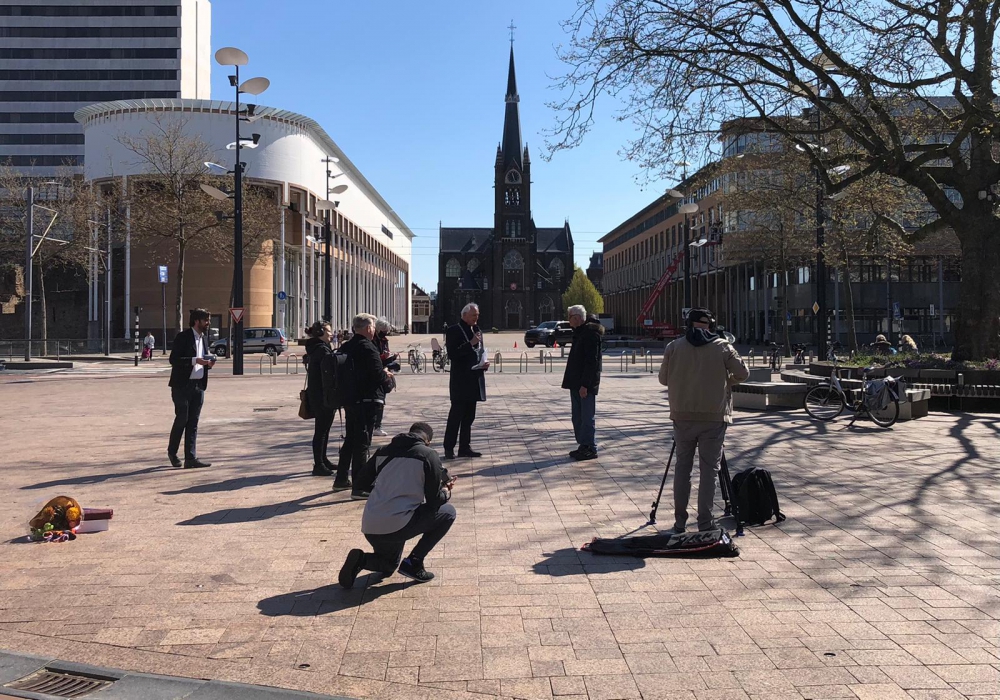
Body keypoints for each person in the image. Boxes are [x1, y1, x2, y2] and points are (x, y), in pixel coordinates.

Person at [658, 308, 749, 533]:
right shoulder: (722, 346)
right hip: (714, 417)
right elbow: (743, 374)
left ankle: (679, 521)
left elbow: (663, 379)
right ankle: (705, 522)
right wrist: (724, 379)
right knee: (709, 471)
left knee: (682, 469)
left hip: (682, 415)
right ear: (710, 325)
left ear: (688, 324)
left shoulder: (674, 346)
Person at [339, 422, 456, 588]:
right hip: (398, 523)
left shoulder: (383, 451)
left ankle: (361, 559)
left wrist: (388, 486)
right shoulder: (429, 455)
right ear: (427, 441)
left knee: (389, 565)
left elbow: (360, 484)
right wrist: (445, 490)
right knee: (448, 512)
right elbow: (434, 501)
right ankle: (414, 562)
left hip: (371, 524)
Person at [336, 313, 391, 498]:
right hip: (367, 400)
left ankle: (341, 478)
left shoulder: (346, 346)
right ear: (368, 328)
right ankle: (359, 487)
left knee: (350, 440)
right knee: (362, 443)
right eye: (373, 327)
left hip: (350, 400)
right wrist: (387, 375)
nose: (374, 330)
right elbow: (377, 374)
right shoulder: (368, 347)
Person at [167, 308, 216, 469]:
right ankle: (172, 453)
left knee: (193, 422)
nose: (208, 323)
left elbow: (203, 360)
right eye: (206, 320)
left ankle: (190, 458)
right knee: (182, 419)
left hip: (198, 385)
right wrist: (195, 360)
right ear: (197, 321)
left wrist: (208, 364)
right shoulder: (183, 337)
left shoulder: (204, 338)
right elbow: (174, 359)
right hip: (181, 386)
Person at [443, 303, 487, 459]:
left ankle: (465, 447)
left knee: (469, 417)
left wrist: (483, 363)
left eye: (478, 315)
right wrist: (470, 344)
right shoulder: (454, 330)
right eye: (474, 315)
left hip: (475, 378)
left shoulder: (477, 330)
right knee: (456, 416)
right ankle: (449, 448)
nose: (477, 317)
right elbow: (453, 354)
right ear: (465, 315)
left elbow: (479, 351)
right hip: (460, 380)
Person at [561, 306, 604, 461]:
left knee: (586, 417)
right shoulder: (580, 333)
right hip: (576, 382)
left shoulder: (590, 334)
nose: (568, 320)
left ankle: (590, 447)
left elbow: (591, 362)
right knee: (577, 417)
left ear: (577, 317)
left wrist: (585, 384)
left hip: (584, 384)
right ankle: (583, 445)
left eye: (570, 316)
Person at [304, 321, 336, 477]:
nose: (331, 334)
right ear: (321, 332)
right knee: (321, 431)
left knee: (324, 429)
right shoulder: (321, 350)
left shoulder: (318, 348)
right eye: (329, 331)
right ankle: (319, 464)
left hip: (319, 394)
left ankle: (323, 459)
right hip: (322, 395)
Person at [373, 317, 400, 437]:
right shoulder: (373, 341)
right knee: (377, 401)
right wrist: (384, 357)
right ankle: (375, 425)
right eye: (384, 330)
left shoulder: (384, 340)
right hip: (377, 373)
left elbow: (383, 356)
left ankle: (377, 425)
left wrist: (392, 357)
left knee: (381, 401)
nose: (386, 333)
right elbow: (376, 358)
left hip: (384, 371)